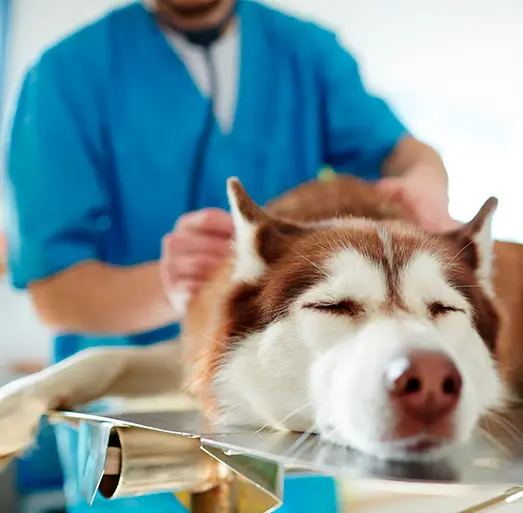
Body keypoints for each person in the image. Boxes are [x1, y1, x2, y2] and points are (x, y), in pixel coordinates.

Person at [1, 0, 456, 511]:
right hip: (141, 426)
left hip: (294, 422)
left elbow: (405, 153)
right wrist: (171, 286)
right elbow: (55, 293)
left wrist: (425, 181)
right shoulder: (65, 76)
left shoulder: (306, 53)